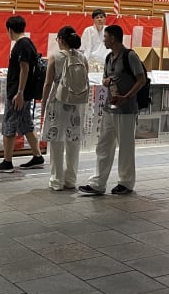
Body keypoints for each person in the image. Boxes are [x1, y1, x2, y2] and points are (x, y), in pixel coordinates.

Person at [78, 24, 146, 195]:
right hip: (110, 107)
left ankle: (126, 182)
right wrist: (106, 81)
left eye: (106, 37)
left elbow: (141, 79)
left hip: (126, 109)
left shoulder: (130, 56)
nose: (104, 39)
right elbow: (104, 79)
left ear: (113, 38)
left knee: (125, 147)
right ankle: (98, 183)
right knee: (103, 145)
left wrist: (127, 96)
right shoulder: (108, 57)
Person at [0, 15, 45, 173]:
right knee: (25, 123)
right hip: (24, 92)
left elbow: (24, 68)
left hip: (18, 93)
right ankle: (37, 156)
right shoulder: (28, 43)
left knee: (9, 123)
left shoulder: (21, 45)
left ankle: (7, 161)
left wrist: (19, 92)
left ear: (10, 30)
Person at [41, 26, 87, 191]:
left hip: (58, 101)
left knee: (56, 140)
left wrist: (44, 101)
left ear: (60, 39)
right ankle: (71, 180)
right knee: (73, 141)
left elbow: (48, 83)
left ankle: (56, 180)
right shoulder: (82, 57)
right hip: (76, 102)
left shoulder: (55, 57)